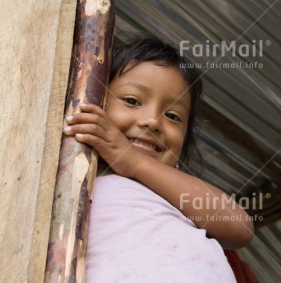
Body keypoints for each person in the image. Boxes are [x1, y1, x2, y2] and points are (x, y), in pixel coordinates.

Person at [63, 35, 254, 282]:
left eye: (173, 116)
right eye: (132, 101)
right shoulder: (69, 180)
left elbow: (241, 228)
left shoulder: (176, 195)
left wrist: (135, 162)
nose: (153, 121)